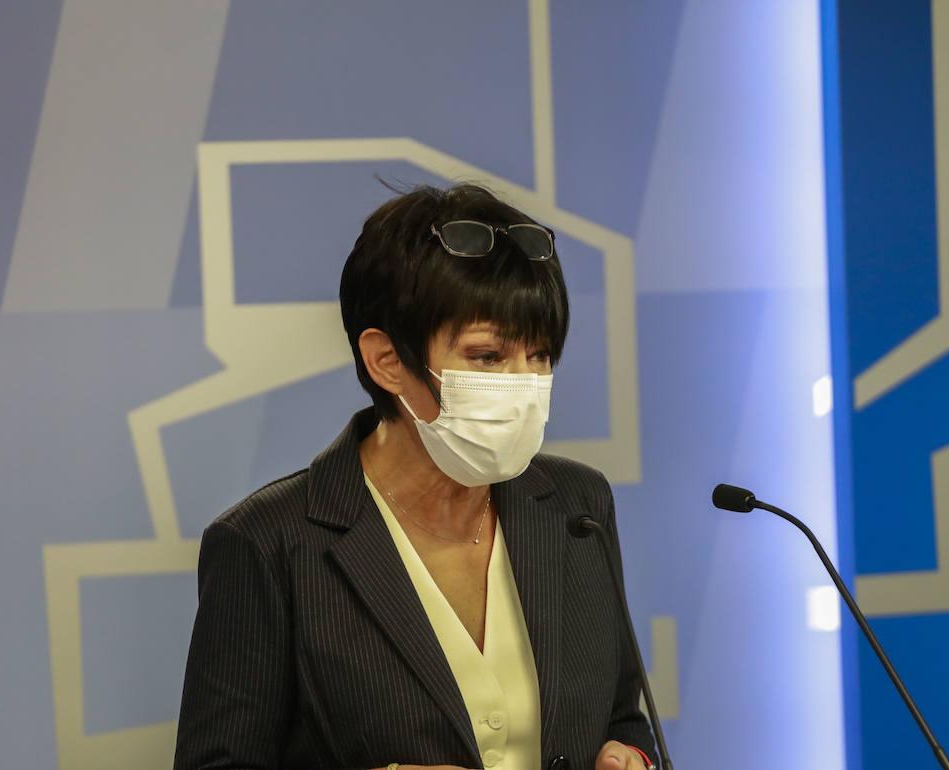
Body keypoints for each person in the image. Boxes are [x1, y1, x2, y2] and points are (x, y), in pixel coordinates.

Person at [173, 183, 659, 770]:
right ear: (387, 361)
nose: (525, 385)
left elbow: (622, 716)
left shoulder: (577, 506)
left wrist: (630, 756)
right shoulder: (268, 544)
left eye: (540, 356)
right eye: (487, 357)